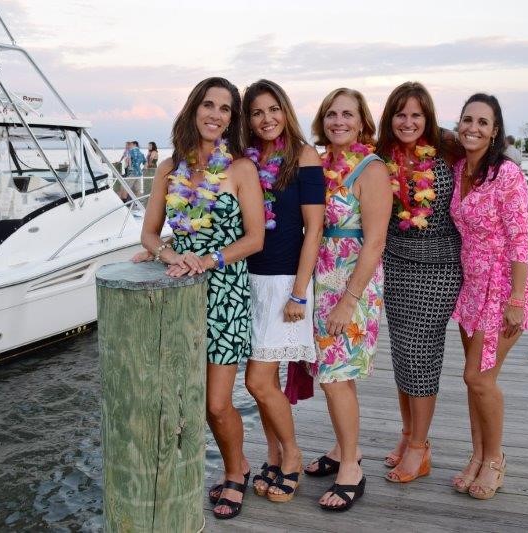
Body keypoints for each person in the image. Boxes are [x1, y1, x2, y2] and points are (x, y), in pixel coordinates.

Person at [138, 77, 264, 519]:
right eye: (208, 105)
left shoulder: (241, 170)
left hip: (225, 294)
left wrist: (208, 260)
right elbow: (149, 233)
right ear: (193, 110)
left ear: (232, 119)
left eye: (226, 109)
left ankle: (235, 471)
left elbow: (254, 239)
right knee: (186, 401)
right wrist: (170, 254)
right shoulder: (169, 168)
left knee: (216, 401)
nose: (215, 114)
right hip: (180, 296)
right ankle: (228, 465)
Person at [304, 88, 392, 511]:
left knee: (336, 375)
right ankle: (343, 448)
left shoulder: (371, 171)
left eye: (348, 115)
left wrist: (347, 300)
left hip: (351, 286)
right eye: (332, 114)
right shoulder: (320, 166)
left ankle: (352, 470)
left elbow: (375, 244)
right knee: (333, 373)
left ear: (362, 123)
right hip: (322, 281)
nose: (339, 121)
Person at [449, 93, 528, 499]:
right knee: (474, 383)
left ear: (495, 130)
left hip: (504, 286)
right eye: (468, 119)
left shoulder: (507, 174)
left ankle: (495, 459)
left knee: (479, 378)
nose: (473, 127)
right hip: (471, 286)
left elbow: (521, 239)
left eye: (483, 122)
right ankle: (477, 455)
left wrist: (517, 299)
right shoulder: (458, 170)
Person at [240, 79, 325, 503]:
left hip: (283, 284)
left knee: (257, 381)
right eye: (257, 112)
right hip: (249, 280)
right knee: (264, 379)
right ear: (248, 119)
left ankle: (291, 455)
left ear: (285, 110)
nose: (267, 118)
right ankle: (272, 455)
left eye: (273, 109)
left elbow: (314, 229)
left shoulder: (304, 156)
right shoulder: (246, 161)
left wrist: (299, 292)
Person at [375, 82, 463, 483]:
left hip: (440, 267)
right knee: (402, 354)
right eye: (400, 114)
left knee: (422, 355)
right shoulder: (381, 158)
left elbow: (491, 168)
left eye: (416, 114)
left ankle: (419, 448)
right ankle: (408, 434)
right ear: (389, 118)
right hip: (396, 263)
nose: (408, 122)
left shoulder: (449, 149)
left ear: (427, 117)